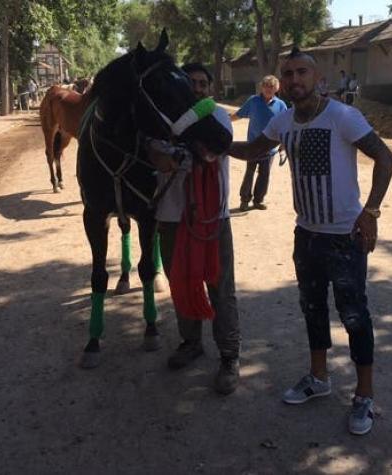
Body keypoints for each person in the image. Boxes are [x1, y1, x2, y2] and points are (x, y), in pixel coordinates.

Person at [228, 48, 392, 435]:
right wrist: (219, 147)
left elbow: (385, 159)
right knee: (312, 307)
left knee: (354, 316)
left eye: (301, 72)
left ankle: (364, 397)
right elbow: (255, 151)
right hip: (306, 234)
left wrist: (370, 212)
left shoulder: (342, 116)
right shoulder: (284, 121)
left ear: (318, 79)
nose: (294, 80)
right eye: (287, 74)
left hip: (344, 237)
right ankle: (319, 378)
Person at [148, 63, 241, 395]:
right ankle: (191, 342)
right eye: (191, 83)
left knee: (221, 287)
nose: (198, 88)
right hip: (171, 217)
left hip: (213, 218)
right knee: (181, 284)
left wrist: (175, 143)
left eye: (203, 83)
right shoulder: (159, 120)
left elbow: (208, 150)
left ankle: (230, 356)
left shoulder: (217, 117)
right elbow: (159, 159)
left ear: (211, 88)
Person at [231, 75, 287, 211]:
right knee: (249, 172)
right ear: (261, 87)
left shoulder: (281, 105)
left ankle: (258, 200)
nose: (268, 89)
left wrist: (283, 145)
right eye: (266, 85)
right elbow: (238, 115)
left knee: (264, 175)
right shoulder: (253, 101)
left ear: (276, 89)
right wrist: (223, 121)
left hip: (270, 148)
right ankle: (244, 200)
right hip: (253, 146)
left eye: (272, 86)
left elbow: (286, 125)